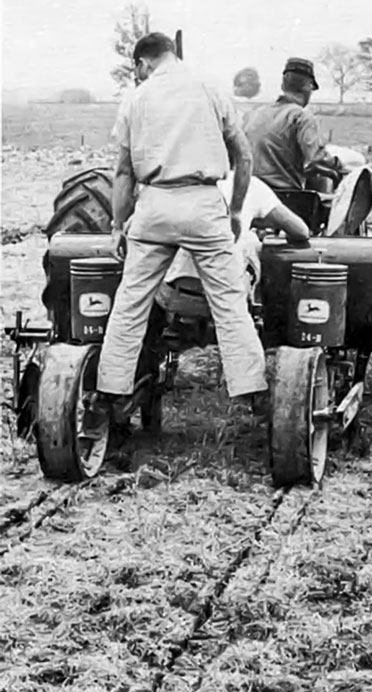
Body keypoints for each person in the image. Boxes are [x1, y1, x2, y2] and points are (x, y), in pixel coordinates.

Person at [91, 32, 268, 420]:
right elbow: (244, 156)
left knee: (131, 302)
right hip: (204, 204)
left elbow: (122, 172)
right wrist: (236, 210)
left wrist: (119, 225)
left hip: (154, 205)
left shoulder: (136, 98)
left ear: (142, 63)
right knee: (229, 301)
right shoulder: (210, 89)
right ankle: (252, 389)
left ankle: (112, 390)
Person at [162, 171, 311, 291]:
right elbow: (301, 231)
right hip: (224, 298)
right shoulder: (253, 186)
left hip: (173, 291)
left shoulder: (174, 183)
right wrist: (259, 220)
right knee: (249, 241)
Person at [243, 58, 338, 191]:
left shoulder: (254, 114)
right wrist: (339, 167)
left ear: (283, 86)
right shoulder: (302, 117)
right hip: (284, 196)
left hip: (249, 193)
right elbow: (317, 161)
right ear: (308, 87)